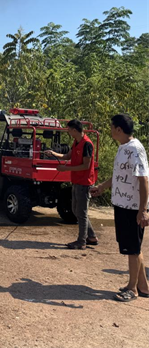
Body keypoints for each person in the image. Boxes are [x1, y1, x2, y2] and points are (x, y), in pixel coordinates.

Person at [91, 114, 149, 302]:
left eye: (111, 127)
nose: (110, 130)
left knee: (132, 249)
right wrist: (103, 186)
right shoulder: (123, 148)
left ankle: (132, 289)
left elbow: (144, 180)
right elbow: (119, 175)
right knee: (134, 247)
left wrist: (143, 210)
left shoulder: (134, 149)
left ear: (118, 129)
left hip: (132, 208)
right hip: (122, 204)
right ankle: (143, 286)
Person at [45, 119, 98, 249]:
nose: (68, 132)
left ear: (74, 130)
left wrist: (66, 169)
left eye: (69, 130)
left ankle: (81, 241)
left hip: (84, 183)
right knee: (76, 210)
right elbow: (67, 156)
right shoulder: (76, 142)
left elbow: (86, 166)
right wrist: (53, 153)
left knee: (81, 213)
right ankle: (91, 236)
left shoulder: (87, 144)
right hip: (76, 181)